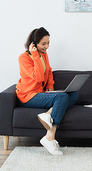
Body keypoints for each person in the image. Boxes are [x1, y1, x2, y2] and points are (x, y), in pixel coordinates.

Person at [16, 27, 79, 156]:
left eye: (48, 43)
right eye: (43, 44)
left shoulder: (44, 54)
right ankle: (50, 137)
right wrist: (35, 56)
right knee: (61, 98)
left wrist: (50, 87)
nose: (47, 46)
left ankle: (48, 113)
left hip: (41, 93)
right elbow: (38, 77)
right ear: (34, 44)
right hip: (28, 95)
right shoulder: (24, 58)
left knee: (74, 94)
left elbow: (49, 71)